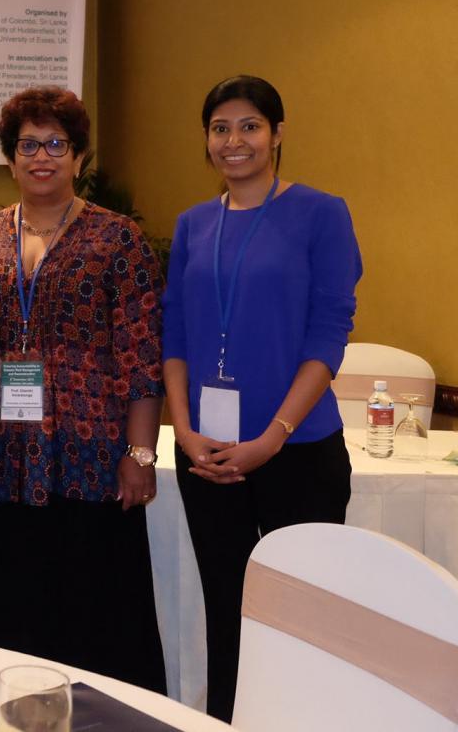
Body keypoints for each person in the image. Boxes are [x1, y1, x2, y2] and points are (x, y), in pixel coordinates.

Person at [0, 86, 167, 693]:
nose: (42, 157)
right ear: (10, 159)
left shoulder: (118, 240)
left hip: (91, 460)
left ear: (78, 156)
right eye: (28, 145)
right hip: (2, 456)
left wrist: (140, 453)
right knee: (8, 611)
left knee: (97, 614)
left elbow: (142, 357)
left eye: (56, 144)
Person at [163, 75, 361, 721]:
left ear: (277, 133)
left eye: (250, 125)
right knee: (228, 613)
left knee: (299, 622)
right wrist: (184, 430)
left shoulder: (321, 213)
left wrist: (271, 437)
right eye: (220, 127)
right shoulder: (194, 224)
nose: (234, 140)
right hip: (208, 454)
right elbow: (176, 335)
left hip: (297, 452)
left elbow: (328, 336)